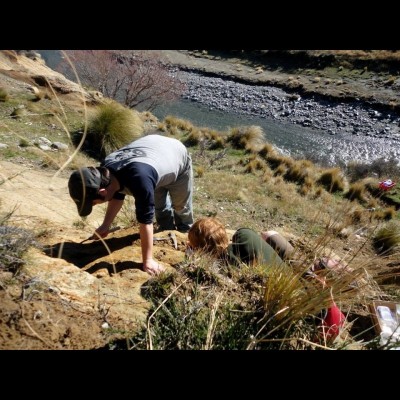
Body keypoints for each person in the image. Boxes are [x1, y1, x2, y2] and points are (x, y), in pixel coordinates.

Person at [68, 133, 194, 275]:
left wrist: (148, 261)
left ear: (102, 192)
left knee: (181, 207)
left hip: (176, 157)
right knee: (160, 208)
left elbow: (145, 222)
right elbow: (117, 193)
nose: (95, 205)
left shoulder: (140, 179)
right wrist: (105, 226)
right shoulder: (107, 170)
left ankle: (186, 236)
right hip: (154, 160)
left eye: (95, 203)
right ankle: (167, 229)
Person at [187, 217, 286, 268]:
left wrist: (191, 257)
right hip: (292, 284)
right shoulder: (245, 234)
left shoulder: (224, 266)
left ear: (203, 251)